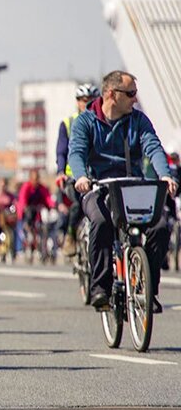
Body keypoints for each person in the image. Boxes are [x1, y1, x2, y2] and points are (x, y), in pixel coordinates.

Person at [69, 71, 177, 312]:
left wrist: (165, 174)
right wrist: (81, 177)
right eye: (130, 94)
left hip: (131, 185)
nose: (135, 99)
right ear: (111, 95)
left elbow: (153, 147)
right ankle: (100, 288)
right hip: (97, 186)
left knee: (160, 225)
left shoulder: (138, 120)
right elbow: (76, 153)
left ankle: (148, 288)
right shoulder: (85, 122)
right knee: (100, 221)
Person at [56, 83, 100, 255]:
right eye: (83, 100)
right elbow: (61, 150)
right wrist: (60, 172)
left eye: (91, 100)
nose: (87, 103)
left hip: (96, 175)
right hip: (72, 177)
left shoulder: (101, 120)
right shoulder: (68, 123)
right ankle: (71, 235)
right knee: (78, 205)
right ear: (77, 102)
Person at [16, 169, 55, 255]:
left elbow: (47, 198)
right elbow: (22, 199)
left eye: (37, 179)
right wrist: (25, 207)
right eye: (34, 179)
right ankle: (28, 231)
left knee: (44, 224)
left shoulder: (41, 188)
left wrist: (52, 205)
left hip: (38, 211)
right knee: (29, 216)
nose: (36, 181)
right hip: (28, 211)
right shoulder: (26, 187)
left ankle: (43, 246)